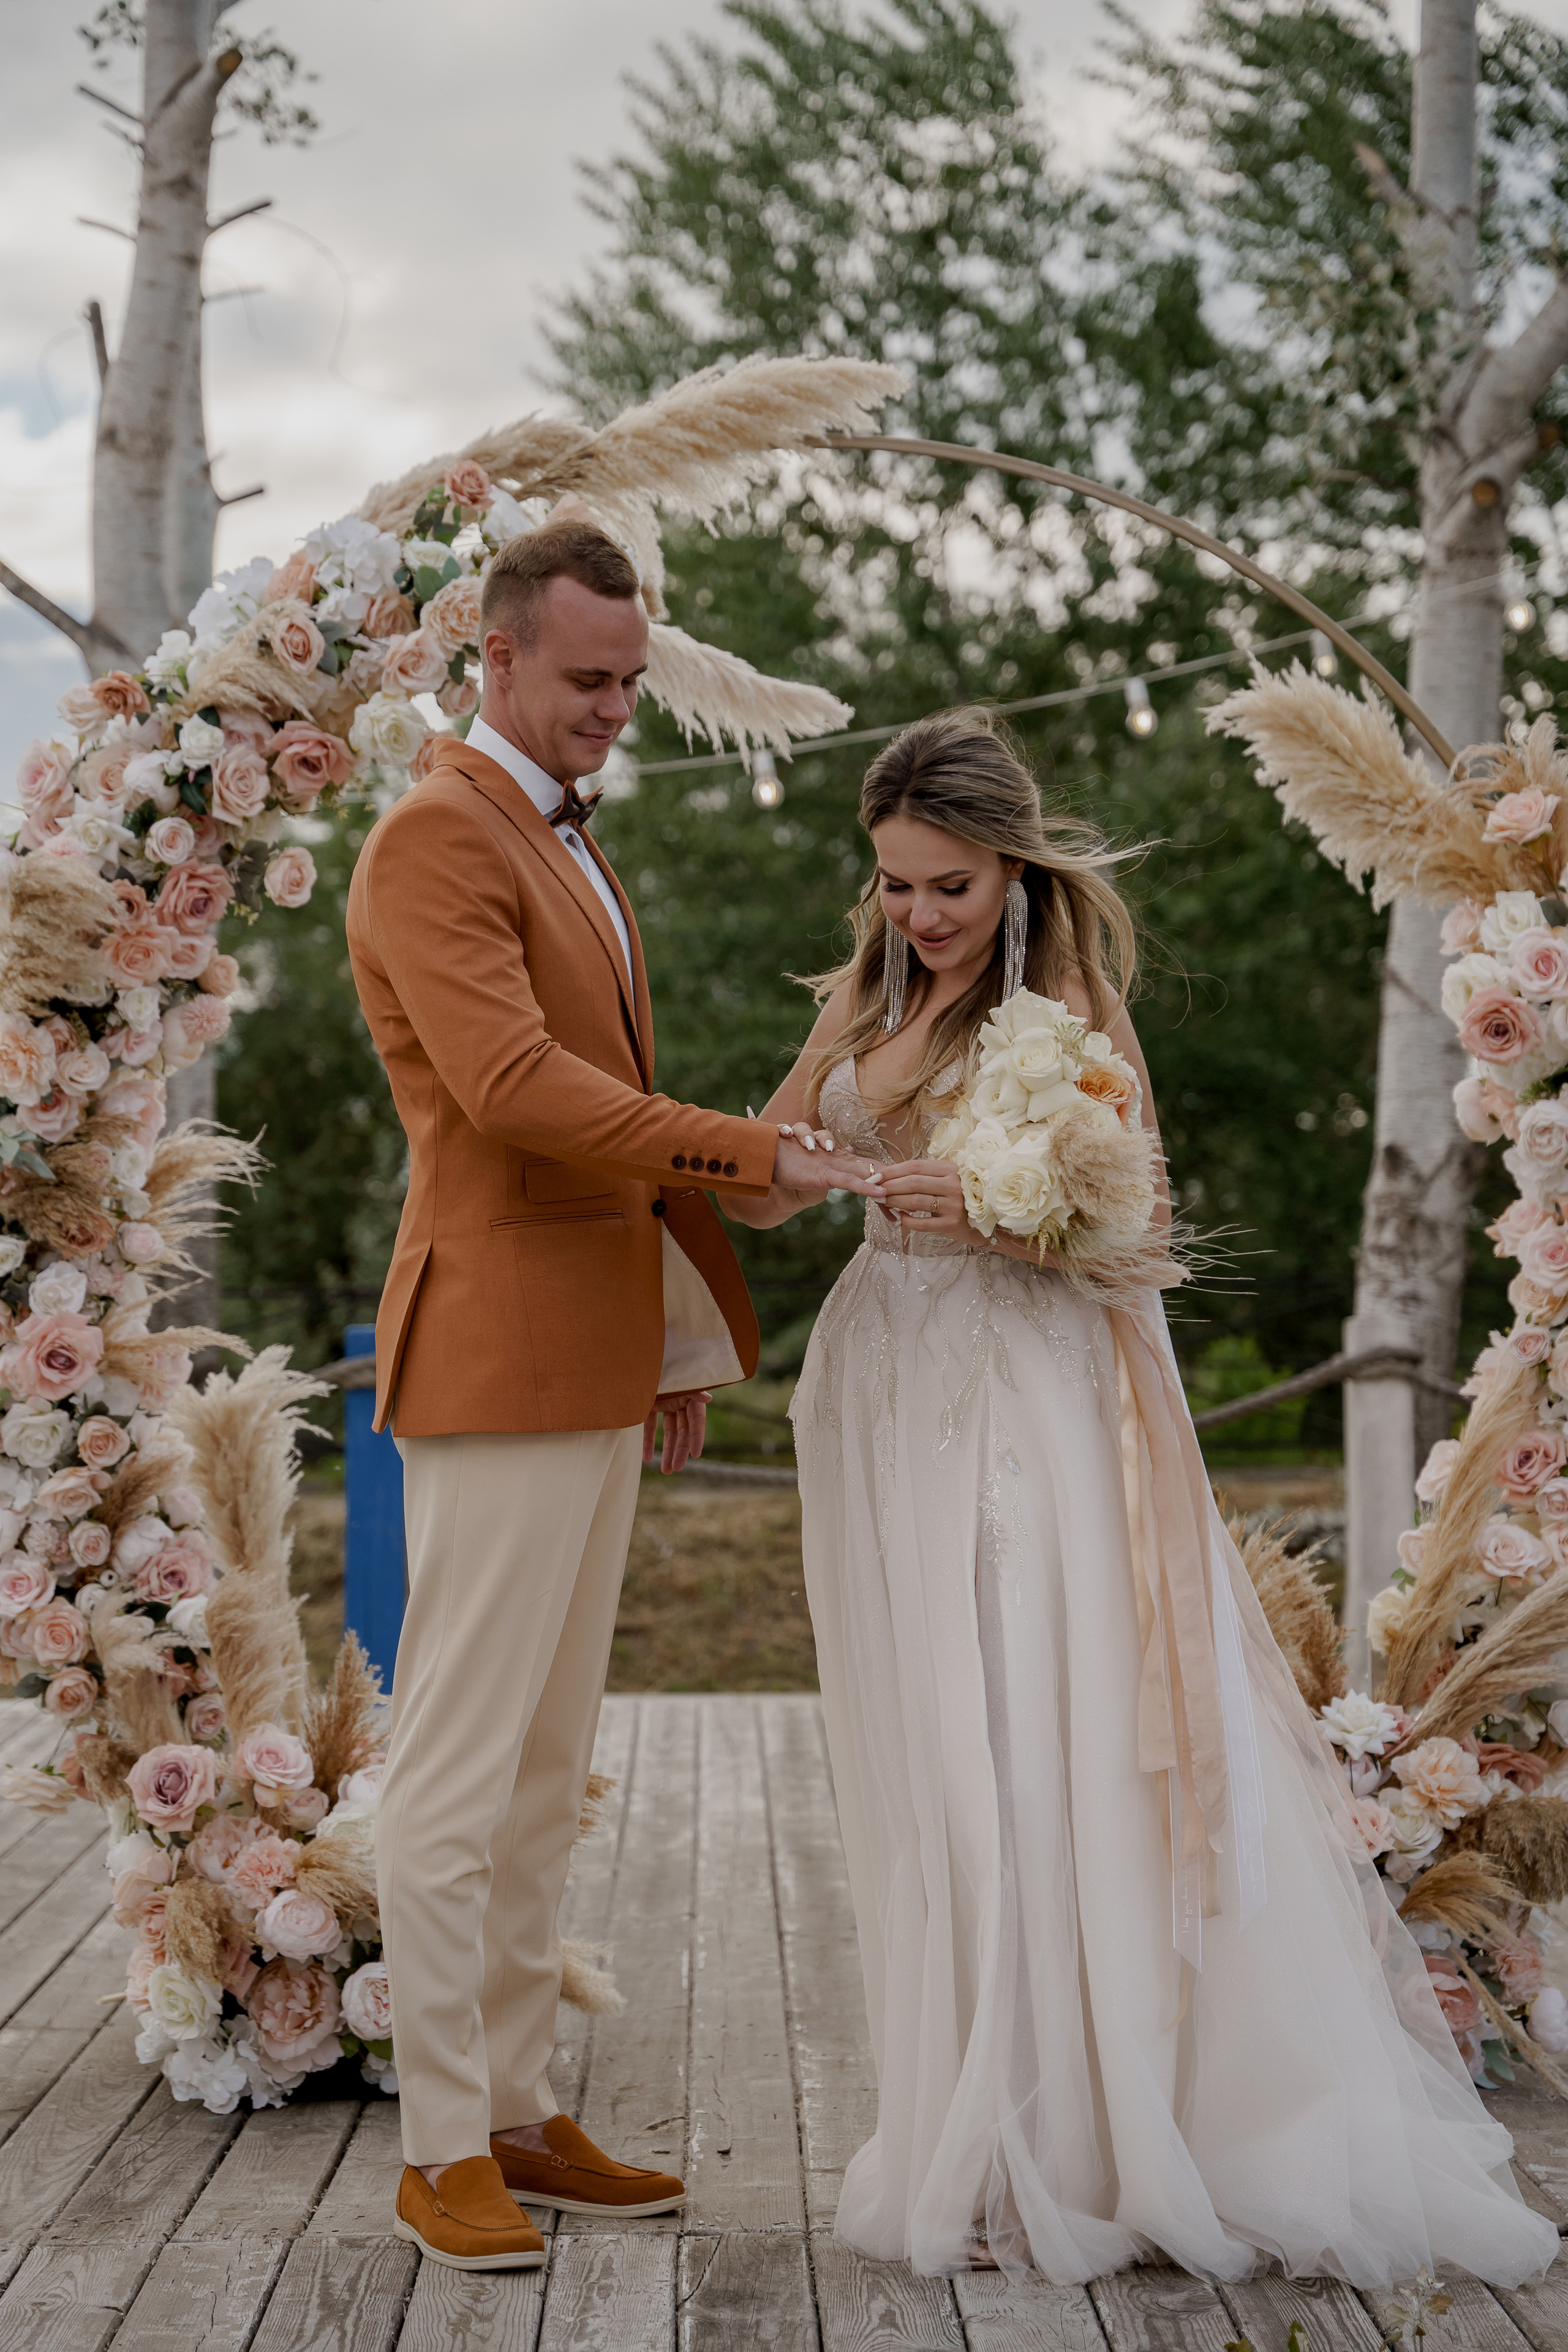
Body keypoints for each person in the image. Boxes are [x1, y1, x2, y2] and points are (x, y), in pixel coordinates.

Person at [722, 707, 1556, 2288]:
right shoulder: (865, 995)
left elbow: (1142, 1224)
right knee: (928, 1753)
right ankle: (976, 2119)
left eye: (950, 886)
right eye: (896, 883)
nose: (920, 914)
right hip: (880, 1392)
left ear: (1013, 871)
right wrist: (807, 1172)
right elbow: (762, 1179)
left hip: (1017, 1403)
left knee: (1024, 1737)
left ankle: (1083, 2134)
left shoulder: (1071, 1012)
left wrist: (986, 1205)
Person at [345, 517, 884, 2271]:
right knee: (454, 1770)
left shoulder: (568, 835)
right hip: (494, 1357)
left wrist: (663, 1346)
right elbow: (515, 1090)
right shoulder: (436, 835)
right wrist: (756, 1154)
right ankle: (440, 2149)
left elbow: (599, 1132)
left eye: (632, 682)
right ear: (493, 656)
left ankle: (514, 2109)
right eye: (587, 678)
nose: (613, 708)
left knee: (544, 1768)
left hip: (590, 1357)